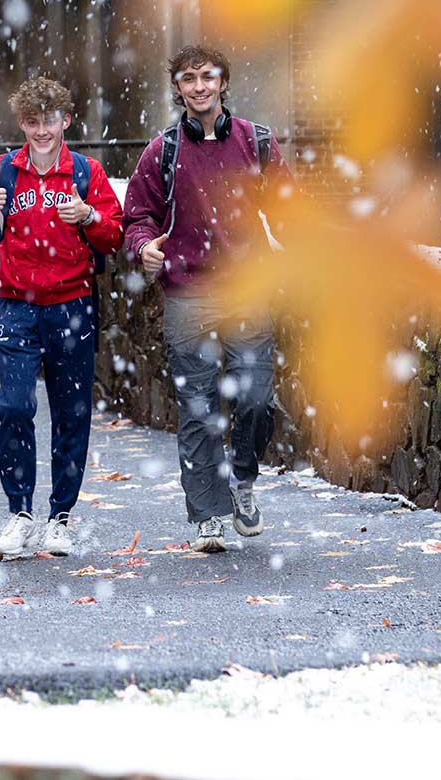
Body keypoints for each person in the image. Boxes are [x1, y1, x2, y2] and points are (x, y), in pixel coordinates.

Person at [0, 77, 122, 557]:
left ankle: (59, 518)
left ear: (67, 121)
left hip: (72, 306)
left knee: (71, 413)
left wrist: (90, 219)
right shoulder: (0, 172)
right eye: (33, 121)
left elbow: (115, 236)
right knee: (14, 406)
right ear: (22, 122)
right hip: (16, 307)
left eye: (51, 120)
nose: (43, 130)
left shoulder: (86, 173)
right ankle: (20, 514)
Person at [122, 44, 293, 553]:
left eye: (207, 77)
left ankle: (242, 480)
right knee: (197, 407)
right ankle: (208, 516)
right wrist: (142, 247)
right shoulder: (163, 150)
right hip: (188, 292)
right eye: (188, 79)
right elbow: (138, 216)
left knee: (256, 399)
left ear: (223, 83)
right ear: (177, 89)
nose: (199, 86)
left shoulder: (257, 144)